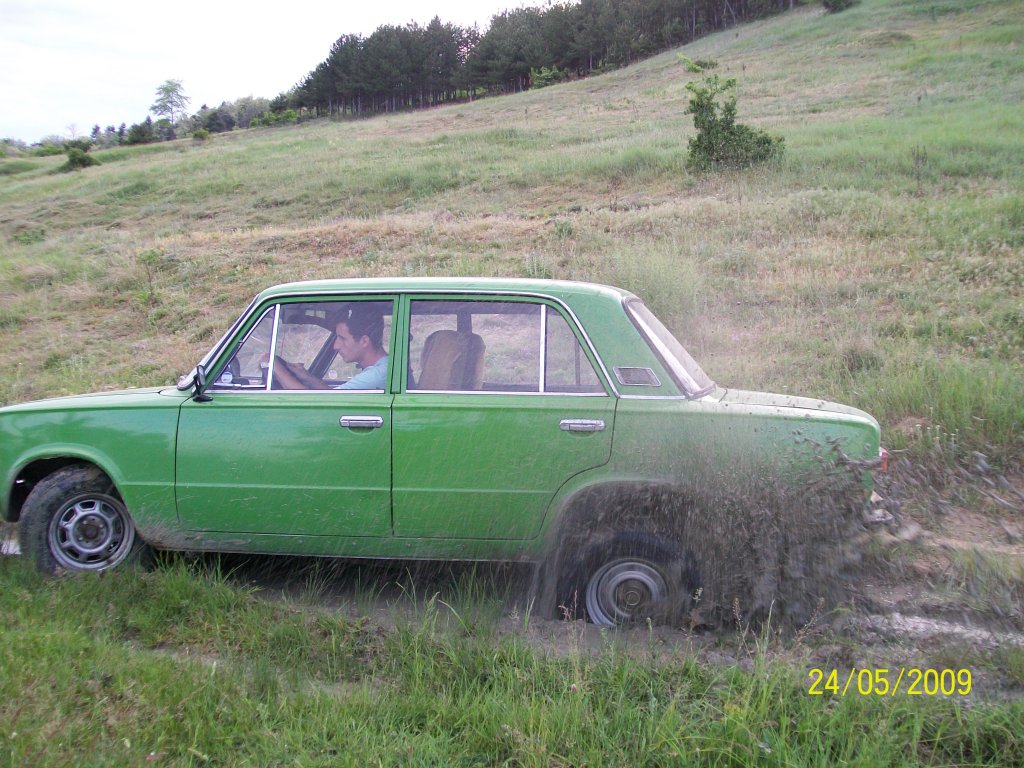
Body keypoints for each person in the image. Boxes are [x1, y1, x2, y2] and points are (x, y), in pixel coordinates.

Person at [271, 306, 388, 390]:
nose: (336, 346)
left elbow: (319, 403)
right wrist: (307, 377)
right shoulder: (383, 368)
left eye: (342, 338)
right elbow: (332, 395)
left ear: (364, 341)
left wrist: (273, 365)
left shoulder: (377, 375)